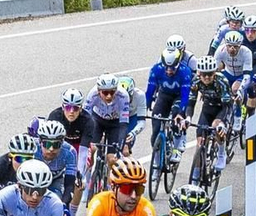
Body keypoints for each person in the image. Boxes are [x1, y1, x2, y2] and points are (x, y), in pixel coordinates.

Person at [144, 38, 193, 166]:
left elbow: (185, 96)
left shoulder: (185, 72)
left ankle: (178, 143)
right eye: (167, 68)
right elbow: (150, 90)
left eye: (172, 68)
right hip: (164, 95)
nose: (169, 71)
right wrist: (146, 105)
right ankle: (156, 161)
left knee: (176, 116)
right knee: (155, 128)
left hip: (178, 96)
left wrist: (181, 113)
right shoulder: (156, 69)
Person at [80, 73, 132, 192]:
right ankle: (87, 183)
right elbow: (85, 118)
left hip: (115, 123)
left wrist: (120, 144)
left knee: (112, 159)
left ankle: (109, 186)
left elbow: (124, 124)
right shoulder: (92, 94)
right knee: (91, 149)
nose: (109, 96)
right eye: (105, 93)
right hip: (97, 121)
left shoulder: (123, 95)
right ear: (99, 91)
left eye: (112, 92)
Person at [186, 55, 236, 162]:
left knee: (216, 126)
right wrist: (188, 117)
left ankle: (221, 153)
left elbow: (226, 106)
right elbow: (191, 102)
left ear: (214, 72)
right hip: (208, 107)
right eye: (204, 74)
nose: (207, 77)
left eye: (210, 74)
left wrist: (222, 123)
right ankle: (197, 173)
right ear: (199, 73)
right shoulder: (195, 81)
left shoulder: (222, 81)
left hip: (222, 107)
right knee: (200, 138)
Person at [33, 118, 82, 206]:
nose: (51, 149)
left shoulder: (70, 152)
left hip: (55, 180)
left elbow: (69, 185)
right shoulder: (32, 148)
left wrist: (64, 205)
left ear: (62, 143)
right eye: (47, 144)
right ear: (40, 142)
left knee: (56, 203)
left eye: (56, 145)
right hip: (33, 180)